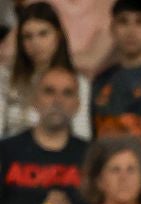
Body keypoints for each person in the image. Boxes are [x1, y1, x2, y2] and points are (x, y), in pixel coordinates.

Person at [0, 68, 88, 204]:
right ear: (34, 100)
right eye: (49, 91)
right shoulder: (6, 150)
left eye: (67, 93)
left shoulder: (91, 155)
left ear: (77, 105)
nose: (58, 101)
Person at [0, 4, 92, 139]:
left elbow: (82, 134)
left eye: (43, 34)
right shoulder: (5, 77)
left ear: (58, 35)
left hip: (58, 155)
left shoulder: (78, 81)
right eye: (27, 36)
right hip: (10, 154)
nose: (35, 42)